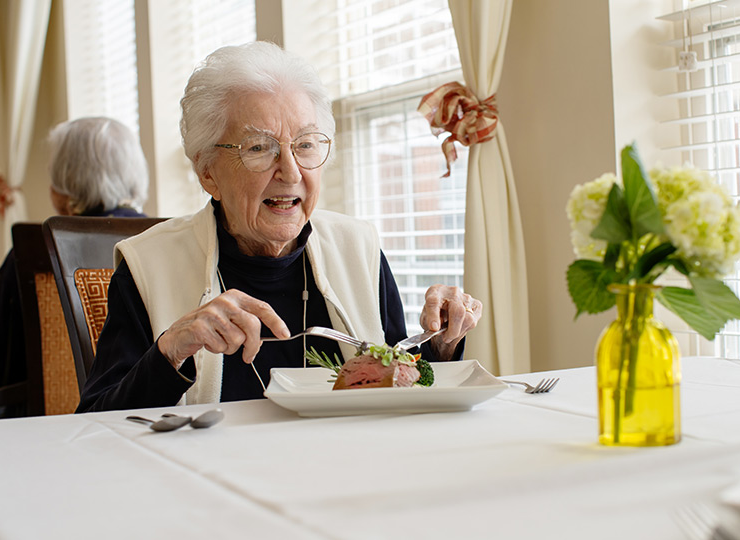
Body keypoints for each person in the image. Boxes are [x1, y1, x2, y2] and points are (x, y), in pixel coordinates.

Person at [77, 41, 483, 413]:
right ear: (207, 174)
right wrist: (170, 350)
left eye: (305, 145)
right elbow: (94, 423)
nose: (290, 172)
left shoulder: (355, 246)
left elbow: (400, 389)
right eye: (259, 148)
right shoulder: (150, 264)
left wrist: (442, 342)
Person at [0, 117, 149, 414]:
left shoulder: (32, 251)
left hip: (33, 428)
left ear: (64, 186)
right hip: (143, 415)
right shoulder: (161, 241)